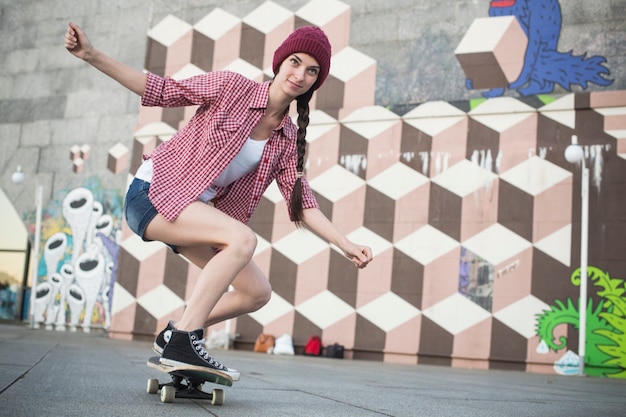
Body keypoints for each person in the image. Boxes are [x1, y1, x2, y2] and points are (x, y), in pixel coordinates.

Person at [64, 22, 373, 380]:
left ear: (315, 82)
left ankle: (175, 332)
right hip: (152, 194)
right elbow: (162, 91)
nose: (300, 74)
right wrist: (91, 55)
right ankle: (184, 339)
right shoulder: (232, 88)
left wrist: (345, 243)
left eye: (311, 71)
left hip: (191, 214)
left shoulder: (288, 137)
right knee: (242, 238)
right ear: (280, 62)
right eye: (295, 61)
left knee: (256, 292)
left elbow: (300, 200)